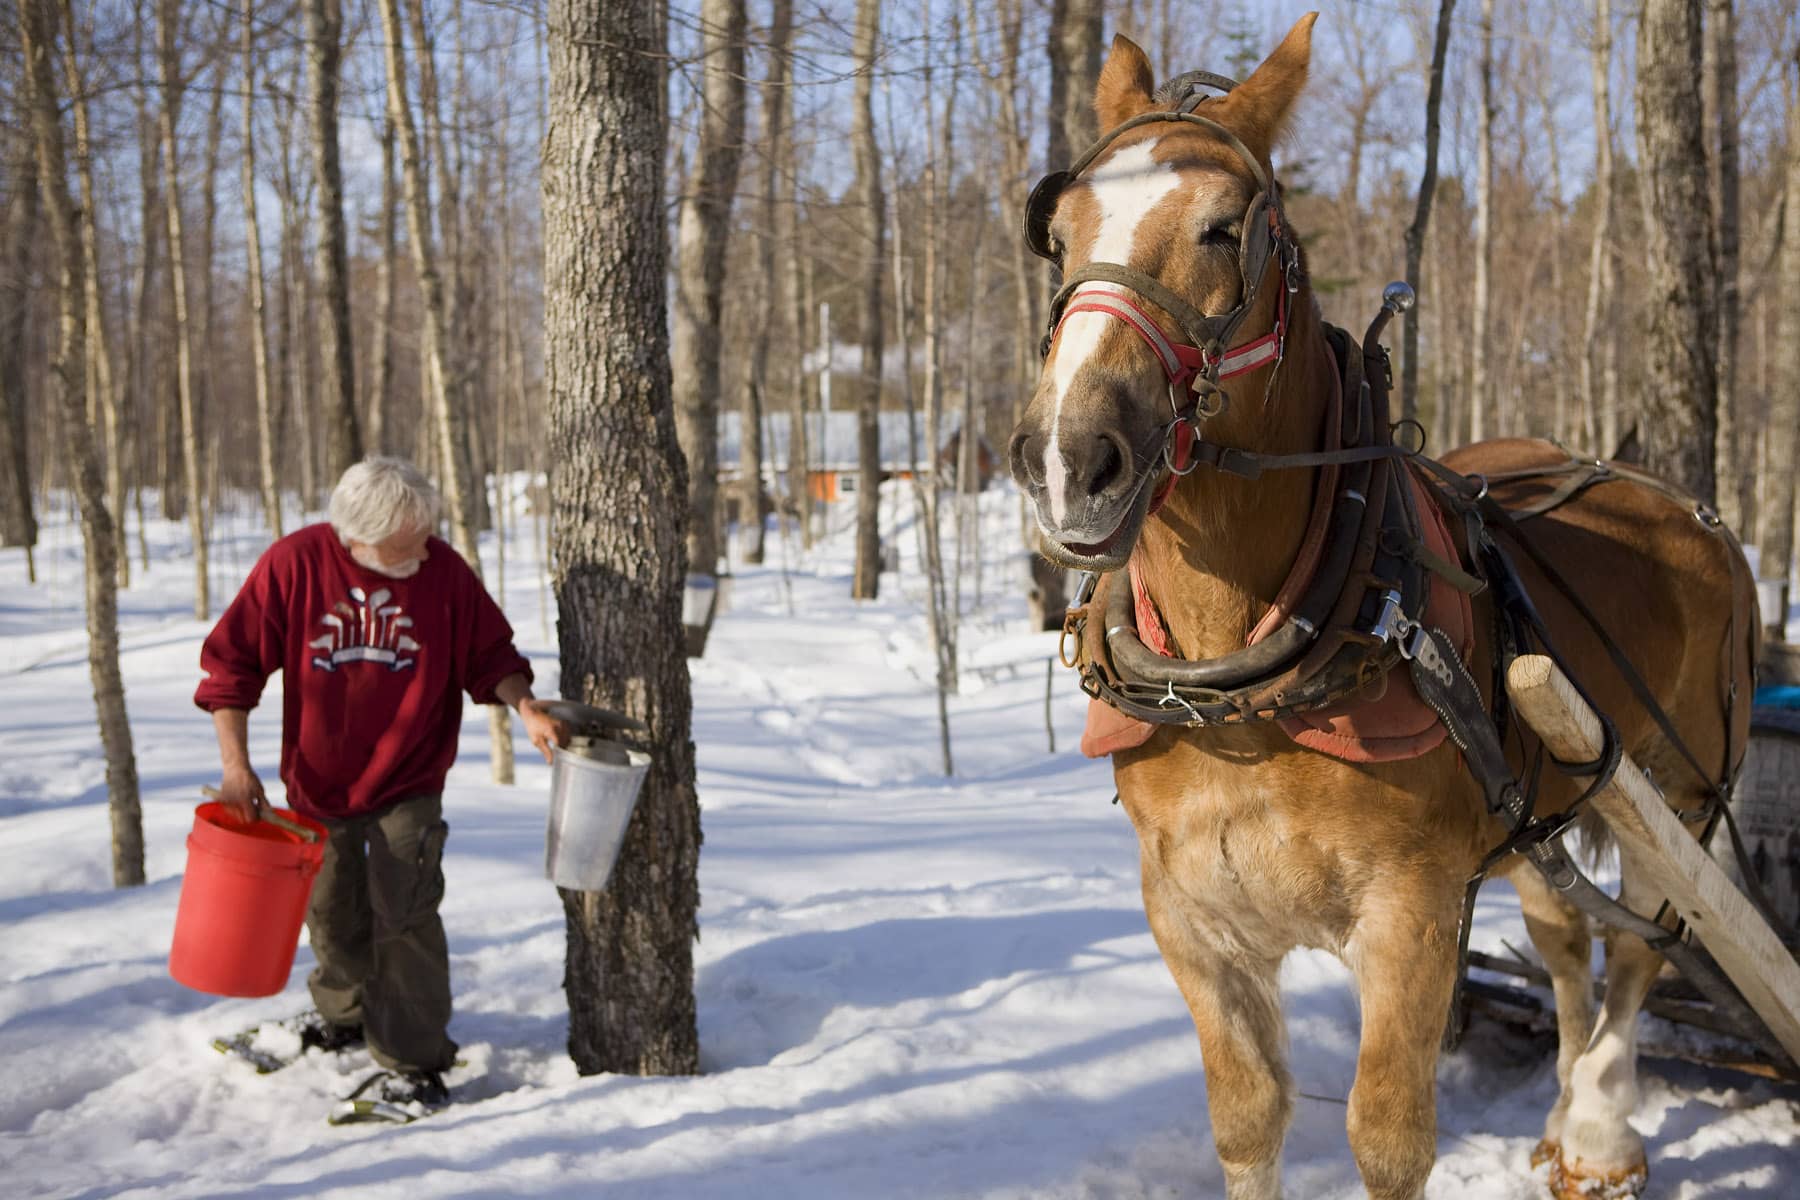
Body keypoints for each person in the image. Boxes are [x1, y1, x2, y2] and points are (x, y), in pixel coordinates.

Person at [195, 456, 569, 1109]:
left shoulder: (441, 570)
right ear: (357, 539)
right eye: (408, 541)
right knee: (332, 911)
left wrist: (524, 705)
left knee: (405, 912)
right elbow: (232, 665)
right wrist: (235, 765)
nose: (424, 549)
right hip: (318, 780)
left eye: (426, 533)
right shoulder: (295, 565)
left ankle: (414, 1057)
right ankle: (341, 1017)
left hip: (411, 777)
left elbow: (490, 654)